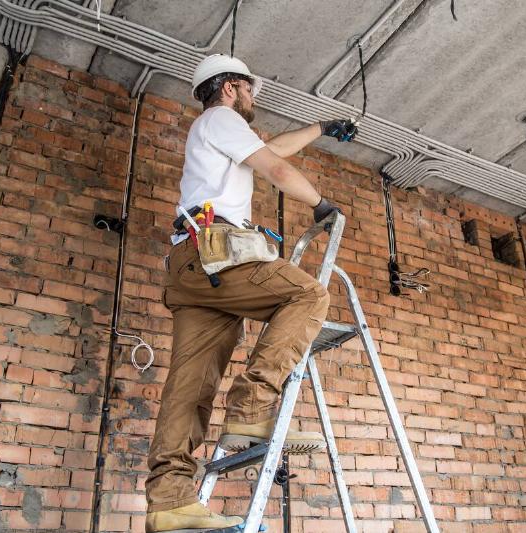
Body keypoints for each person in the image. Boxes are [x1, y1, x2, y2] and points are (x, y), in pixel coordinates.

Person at [145, 54, 358, 532]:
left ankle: (169, 501)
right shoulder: (219, 118)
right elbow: (276, 172)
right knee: (307, 296)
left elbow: (276, 150)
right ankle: (252, 406)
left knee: (189, 388)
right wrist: (324, 206)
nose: (253, 98)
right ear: (229, 88)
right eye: (250, 89)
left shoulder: (217, 130)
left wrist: (320, 127)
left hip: (192, 268)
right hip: (214, 254)